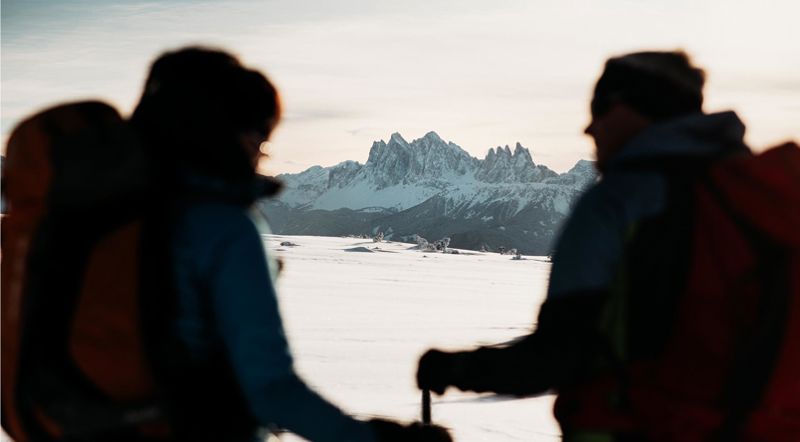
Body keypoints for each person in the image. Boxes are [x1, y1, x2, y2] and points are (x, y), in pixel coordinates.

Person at [416, 51, 756, 440]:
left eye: (600, 108)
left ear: (633, 108)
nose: (589, 128)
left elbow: (561, 354)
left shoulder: (618, 202)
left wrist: (455, 369)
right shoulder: (756, 198)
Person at [131, 47, 451, 442]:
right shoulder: (223, 227)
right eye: (257, 137)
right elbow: (270, 388)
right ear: (222, 133)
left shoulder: (95, 211)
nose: (260, 154)